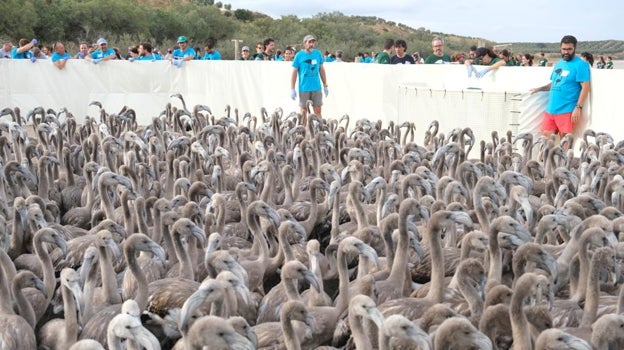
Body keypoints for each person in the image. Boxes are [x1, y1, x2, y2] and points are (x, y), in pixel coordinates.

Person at [530, 35, 590, 139]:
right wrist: (539, 89)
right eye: (564, 49)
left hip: (566, 110)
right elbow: (554, 83)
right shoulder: (559, 63)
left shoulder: (581, 65)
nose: (566, 52)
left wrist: (578, 107)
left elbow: (585, 87)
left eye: (569, 49)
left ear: (574, 48)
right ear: (560, 48)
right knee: (545, 138)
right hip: (551, 109)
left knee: (564, 141)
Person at [290, 34, 328, 126]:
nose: (311, 44)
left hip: (316, 87)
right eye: (309, 42)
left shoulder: (318, 54)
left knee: (318, 110)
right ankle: (304, 131)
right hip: (304, 88)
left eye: (313, 42)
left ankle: (319, 130)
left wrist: (325, 85)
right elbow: (294, 72)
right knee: (303, 111)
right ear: (304, 43)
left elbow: (321, 70)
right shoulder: (299, 55)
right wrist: (292, 88)